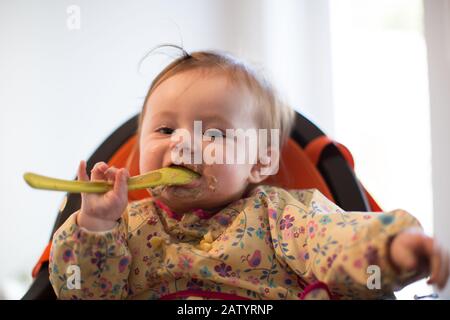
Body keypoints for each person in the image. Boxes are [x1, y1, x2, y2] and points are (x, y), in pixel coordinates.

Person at [49, 47, 449, 300]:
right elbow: (81, 293)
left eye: (216, 133)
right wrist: (96, 224)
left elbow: (336, 241)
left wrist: (393, 249)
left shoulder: (283, 216)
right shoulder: (125, 229)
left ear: (261, 161)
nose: (182, 143)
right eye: (165, 129)